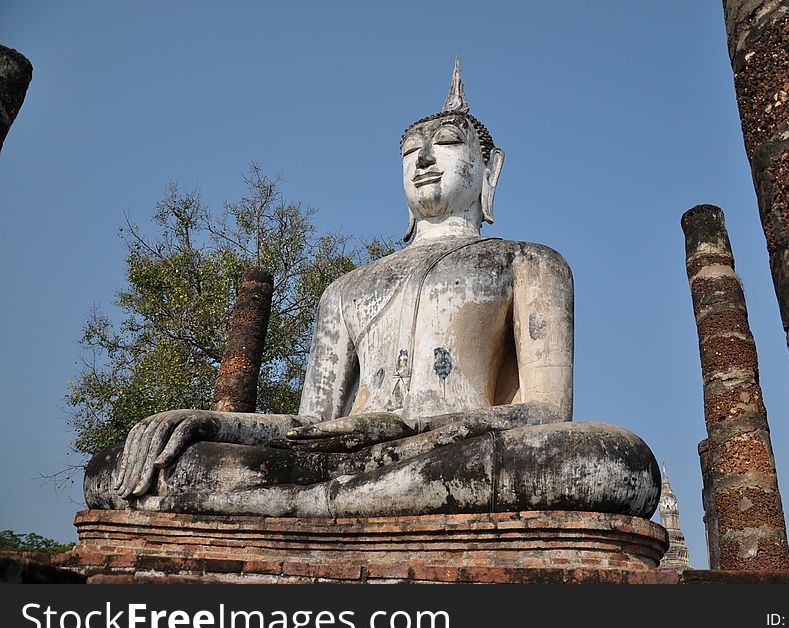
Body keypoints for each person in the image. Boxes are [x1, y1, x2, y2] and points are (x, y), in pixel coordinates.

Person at [93, 60, 658, 519]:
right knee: (124, 466)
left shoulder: (528, 262)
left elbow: (547, 411)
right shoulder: (347, 289)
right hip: (346, 459)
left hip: (452, 452)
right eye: (412, 152)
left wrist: (414, 428)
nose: (426, 160)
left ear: (492, 170)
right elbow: (308, 428)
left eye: (446, 144)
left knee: (608, 461)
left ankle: (300, 509)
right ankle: (312, 501)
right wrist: (207, 421)